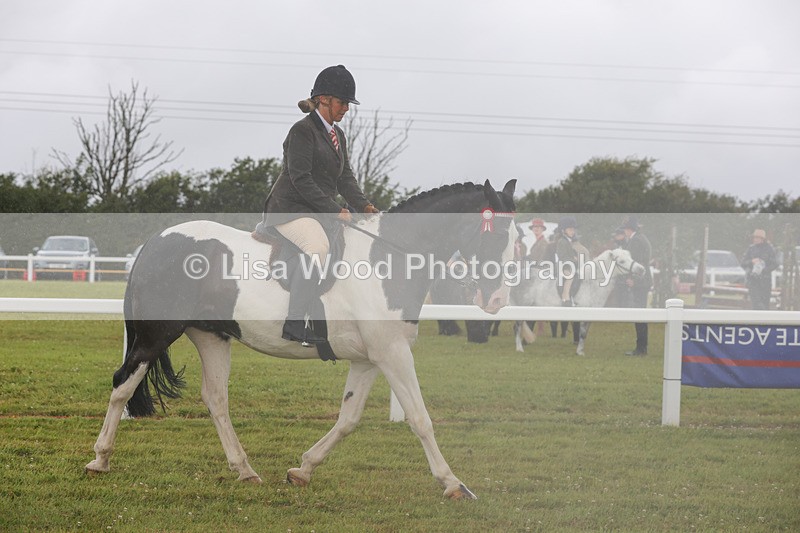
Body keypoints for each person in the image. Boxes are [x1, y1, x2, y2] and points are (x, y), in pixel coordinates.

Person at [254, 65, 379, 345]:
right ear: (324, 99)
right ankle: (295, 323)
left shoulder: (338, 136)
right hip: (289, 209)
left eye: (348, 103)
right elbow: (301, 179)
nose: (346, 108)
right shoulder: (302, 131)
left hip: (314, 211)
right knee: (318, 247)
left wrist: (365, 205)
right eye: (343, 102)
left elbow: (345, 178)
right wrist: (335, 210)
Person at [621, 217, 652, 356]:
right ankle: (641, 346)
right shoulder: (640, 238)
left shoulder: (636, 241)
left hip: (640, 283)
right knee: (640, 315)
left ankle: (641, 348)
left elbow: (639, 264)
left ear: (629, 229)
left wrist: (635, 280)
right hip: (643, 282)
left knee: (640, 315)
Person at [741, 229, 778, 310]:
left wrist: (764, 270)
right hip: (753, 281)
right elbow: (743, 263)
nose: (755, 239)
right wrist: (751, 262)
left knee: (765, 304)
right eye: (754, 238)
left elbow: (775, 264)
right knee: (756, 304)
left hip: (765, 282)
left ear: (763, 239)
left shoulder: (769, 249)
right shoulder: (751, 249)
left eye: (757, 238)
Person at [554, 216, 580, 306]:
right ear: (563, 230)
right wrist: (574, 260)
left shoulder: (569, 241)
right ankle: (566, 298)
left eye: (573, 229)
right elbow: (563, 257)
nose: (572, 231)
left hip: (569, 266)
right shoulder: (562, 241)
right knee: (570, 277)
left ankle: (572, 296)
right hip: (563, 266)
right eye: (570, 229)